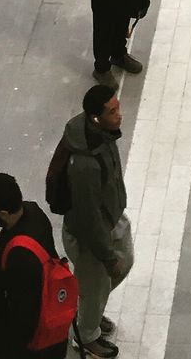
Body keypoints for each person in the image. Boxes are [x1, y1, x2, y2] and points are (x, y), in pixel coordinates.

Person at [60, 86, 133, 359]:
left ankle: (88, 311)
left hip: (111, 217)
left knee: (122, 264)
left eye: (118, 107)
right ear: (95, 118)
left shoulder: (100, 135)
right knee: (95, 285)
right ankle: (87, 337)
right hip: (93, 236)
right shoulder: (85, 166)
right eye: (112, 111)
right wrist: (106, 256)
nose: (120, 115)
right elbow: (88, 218)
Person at [0, 172, 68, 359]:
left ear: (3, 214)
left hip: (23, 347)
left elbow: (24, 319)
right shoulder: (32, 212)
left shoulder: (22, 259)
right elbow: (9, 245)